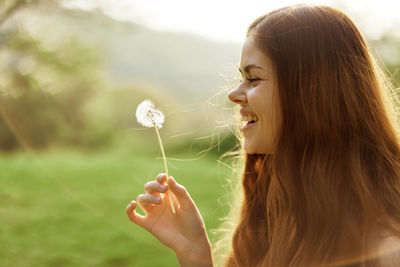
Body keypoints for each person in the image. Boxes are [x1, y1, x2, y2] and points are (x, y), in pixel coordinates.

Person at [126, 4, 400, 266]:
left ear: (310, 92)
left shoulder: (385, 251)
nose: (234, 94)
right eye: (241, 78)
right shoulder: (280, 214)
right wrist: (194, 253)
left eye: (254, 79)